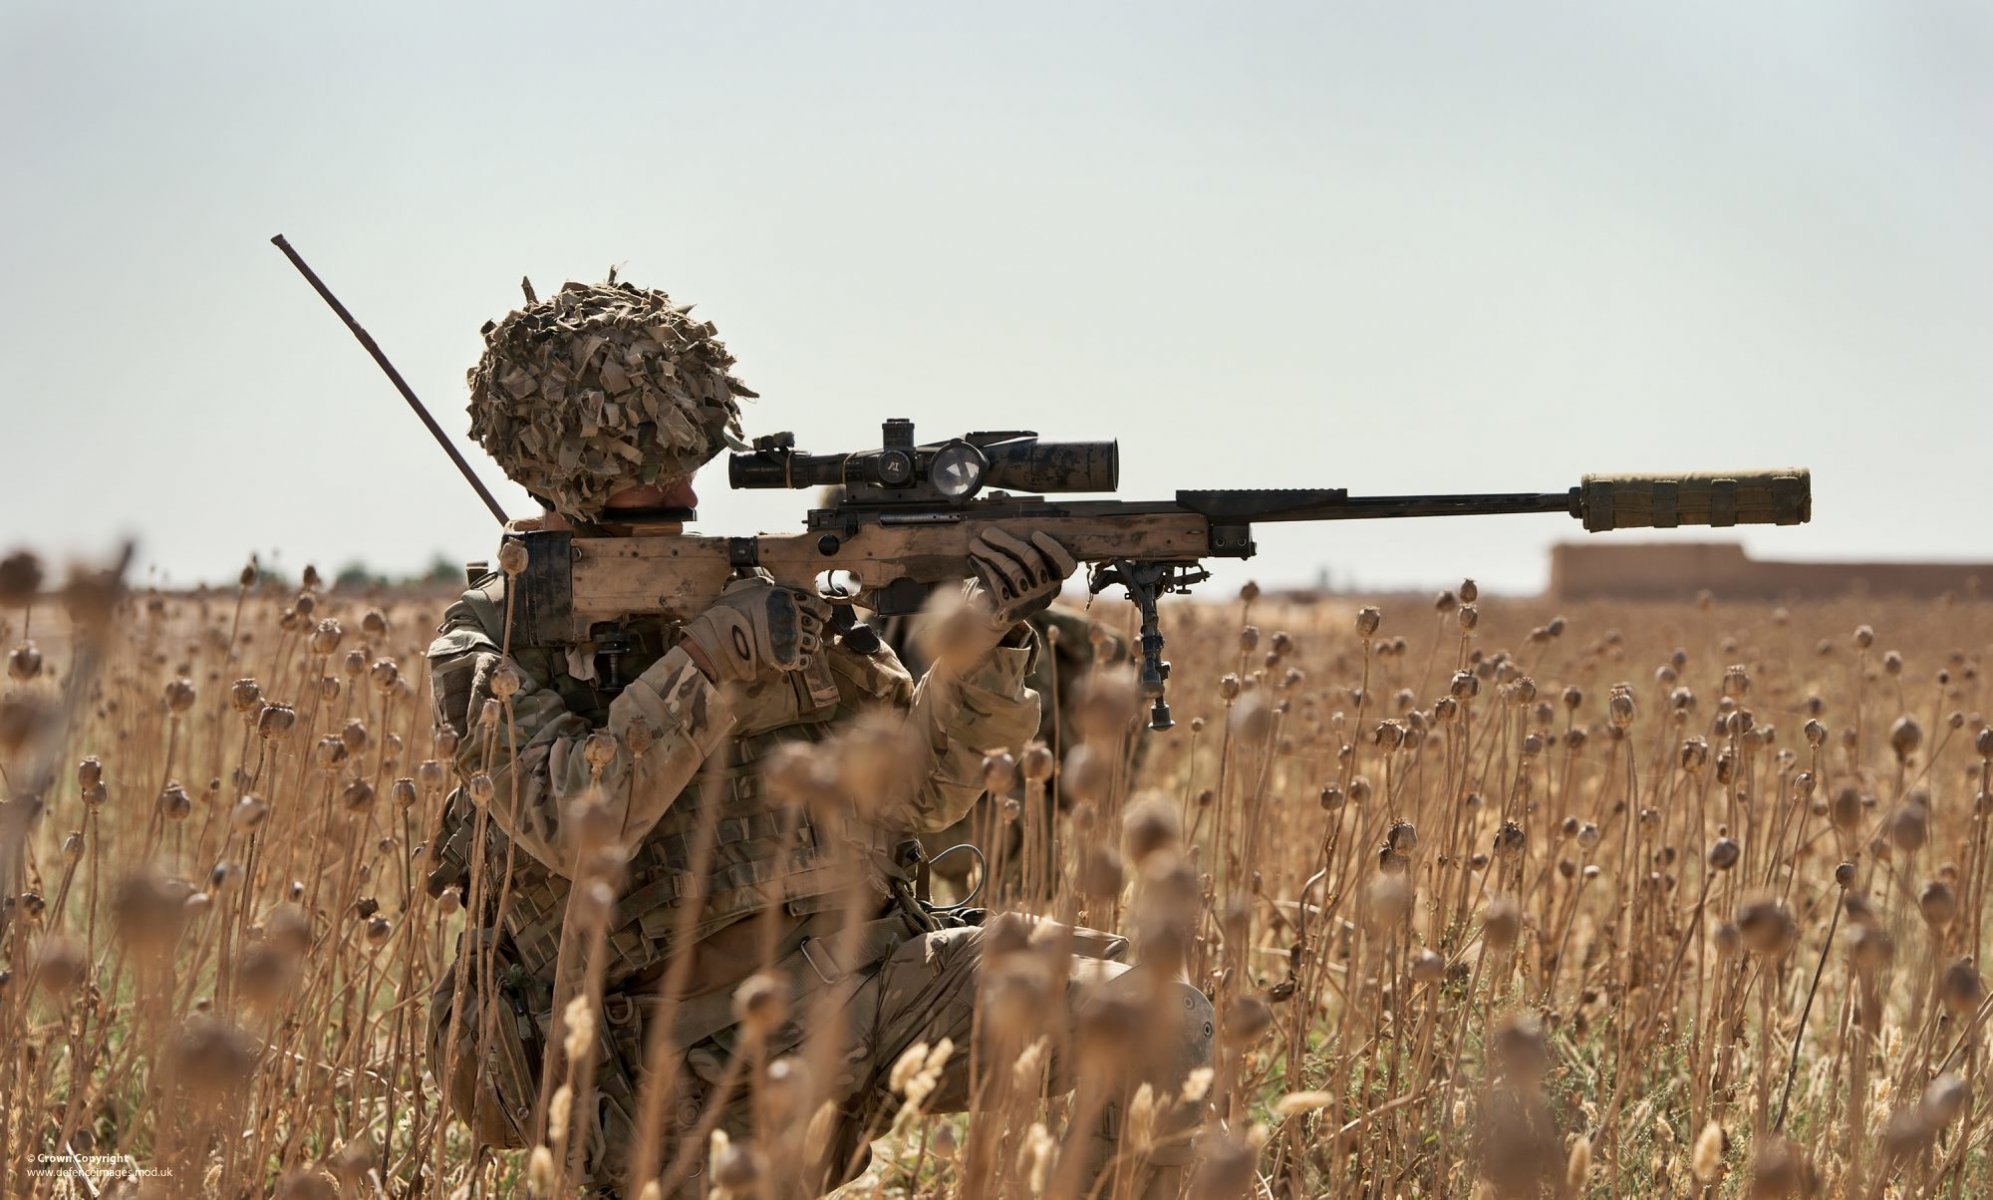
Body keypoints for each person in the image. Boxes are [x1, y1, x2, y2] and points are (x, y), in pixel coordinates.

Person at [422, 278, 1210, 1198]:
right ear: (573, 466)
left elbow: (921, 796)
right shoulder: (495, 636)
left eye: (688, 458)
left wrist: (988, 639)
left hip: (877, 981)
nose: (685, 488)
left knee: (1161, 1016)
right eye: (652, 465)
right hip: (674, 1053)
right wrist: (706, 666)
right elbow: (575, 823)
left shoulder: (763, 589)